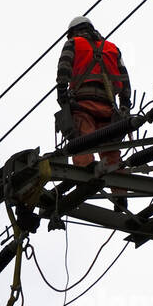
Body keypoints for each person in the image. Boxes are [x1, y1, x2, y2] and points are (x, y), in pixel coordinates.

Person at [56, 15, 132, 202]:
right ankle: (120, 193)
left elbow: (64, 66)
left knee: (83, 141)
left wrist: (62, 93)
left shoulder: (73, 43)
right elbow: (124, 78)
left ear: (73, 31)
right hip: (109, 108)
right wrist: (124, 104)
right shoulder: (112, 48)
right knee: (112, 150)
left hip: (83, 104)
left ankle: (85, 177)